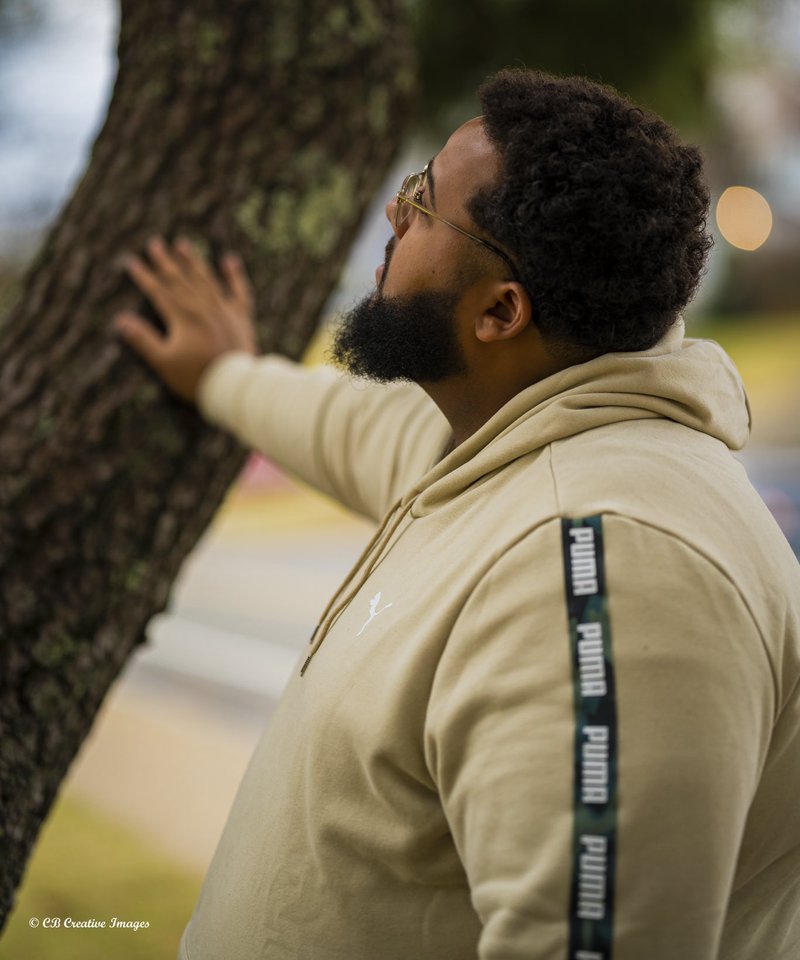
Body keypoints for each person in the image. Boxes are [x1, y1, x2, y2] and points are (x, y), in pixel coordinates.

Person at [112, 69, 800, 960]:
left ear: (501, 312)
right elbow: (349, 428)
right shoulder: (516, 435)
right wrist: (219, 374)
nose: (394, 219)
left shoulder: (611, 560)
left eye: (421, 204)